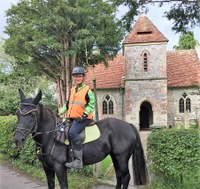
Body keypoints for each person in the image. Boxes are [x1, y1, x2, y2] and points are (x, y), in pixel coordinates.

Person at [59, 66, 95, 169]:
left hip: (83, 118)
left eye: (79, 76)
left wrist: (84, 115)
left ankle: (78, 161)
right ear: (73, 78)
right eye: (75, 76)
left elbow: (91, 104)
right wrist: (60, 112)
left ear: (83, 77)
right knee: (61, 129)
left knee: (72, 132)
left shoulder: (87, 90)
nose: (77, 78)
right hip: (73, 117)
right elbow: (68, 104)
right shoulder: (72, 90)